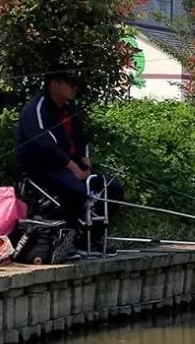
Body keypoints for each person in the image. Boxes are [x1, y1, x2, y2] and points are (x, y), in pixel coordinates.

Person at [16, 68, 124, 254]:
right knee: (75, 190)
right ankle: (65, 241)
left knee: (112, 187)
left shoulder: (69, 108)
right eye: (70, 83)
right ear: (54, 83)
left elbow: (81, 138)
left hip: (71, 165)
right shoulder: (37, 109)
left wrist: (85, 163)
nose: (74, 88)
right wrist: (74, 168)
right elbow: (44, 145)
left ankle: (90, 239)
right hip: (43, 167)